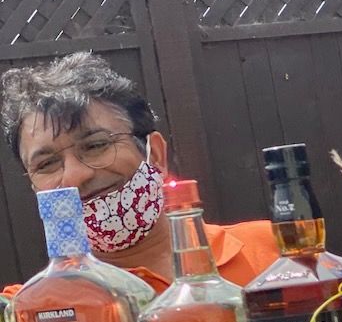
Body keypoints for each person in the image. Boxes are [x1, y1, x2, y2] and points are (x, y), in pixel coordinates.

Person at [0, 52, 279, 291]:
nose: (74, 176)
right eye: (46, 164)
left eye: (95, 145)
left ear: (154, 154)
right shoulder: (32, 314)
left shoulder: (273, 254)